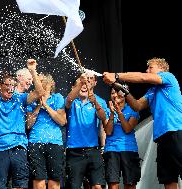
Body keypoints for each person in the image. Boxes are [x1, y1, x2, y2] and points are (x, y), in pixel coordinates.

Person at [102, 57, 182, 189]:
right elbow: (137, 105)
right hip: (162, 138)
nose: (147, 70)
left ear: (161, 69)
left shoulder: (168, 77)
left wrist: (116, 76)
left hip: (176, 131)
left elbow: (143, 78)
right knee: (168, 179)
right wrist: (119, 87)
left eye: (150, 67)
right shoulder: (152, 92)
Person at [0, 59, 44, 189]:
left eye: (13, 85)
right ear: (0, 85)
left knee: (20, 185)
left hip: (18, 146)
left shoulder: (20, 98)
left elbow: (39, 92)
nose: (11, 89)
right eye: (7, 85)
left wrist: (33, 71)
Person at [65, 72, 107, 189]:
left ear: (93, 84)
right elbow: (68, 100)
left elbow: (103, 118)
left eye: (87, 82)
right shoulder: (72, 100)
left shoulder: (99, 101)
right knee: (74, 187)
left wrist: (95, 102)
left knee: (98, 186)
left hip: (93, 150)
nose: (84, 85)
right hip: (74, 151)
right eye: (82, 82)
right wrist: (80, 82)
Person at [26, 73, 66, 189]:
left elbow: (62, 121)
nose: (40, 84)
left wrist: (46, 106)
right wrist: (38, 106)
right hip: (36, 142)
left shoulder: (57, 97)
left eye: (42, 81)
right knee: (39, 181)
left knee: (54, 181)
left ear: (50, 84)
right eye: (38, 82)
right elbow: (28, 125)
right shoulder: (31, 100)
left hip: (55, 143)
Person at [103, 82, 141, 189]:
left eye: (117, 92)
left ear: (124, 93)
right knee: (112, 184)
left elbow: (128, 129)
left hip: (128, 149)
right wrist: (111, 113)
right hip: (111, 149)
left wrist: (119, 113)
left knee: (130, 184)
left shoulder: (133, 109)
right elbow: (108, 131)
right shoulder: (107, 110)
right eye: (112, 93)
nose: (114, 95)